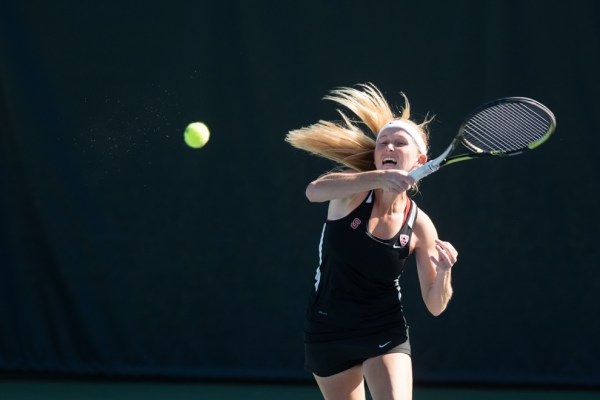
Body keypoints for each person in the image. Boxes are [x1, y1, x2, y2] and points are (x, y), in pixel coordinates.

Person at [285, 83, 458, 400]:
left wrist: (445, 272)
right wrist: (377, 179)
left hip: (383, 328)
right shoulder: (352, 191)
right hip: (327, 328)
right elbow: (314, 191)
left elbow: (435, 305)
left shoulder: (420, 225)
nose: (389, 148)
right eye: (383, 144)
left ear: (419, 160)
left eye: (399, 143)